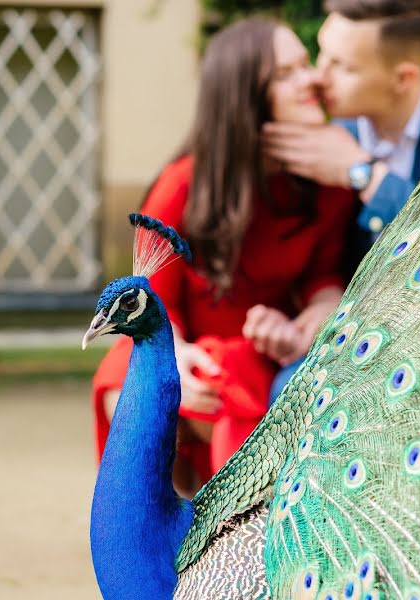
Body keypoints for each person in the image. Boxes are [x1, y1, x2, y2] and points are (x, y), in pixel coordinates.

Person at [91, 18, 356, 496]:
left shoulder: (326, 185)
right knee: (126, 382)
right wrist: (173, 358)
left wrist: (319, 313)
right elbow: (154, 300)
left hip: (261, 347)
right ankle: (157, 525)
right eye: (287, 72)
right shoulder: (184, 185)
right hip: (181, 344)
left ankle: (229, 528)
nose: (311, 79)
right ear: (244, 97)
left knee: (227, 374)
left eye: (306, 64)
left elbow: (325, 275)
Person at [263, 0, 420, 402]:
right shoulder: (321, 126)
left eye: (342, 66)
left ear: (404, 77)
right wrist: (320, 301)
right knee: (290, 391)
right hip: (358, 335)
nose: (317, 77)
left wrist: (365, 175)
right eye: (322, 53)